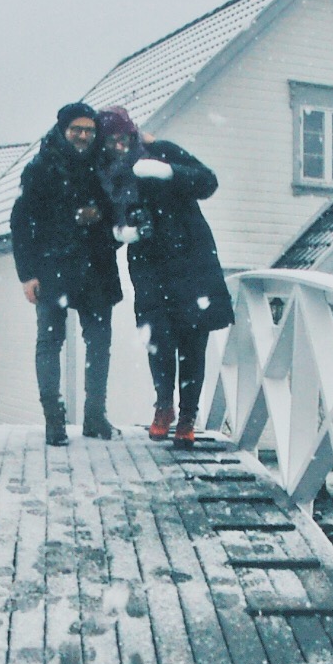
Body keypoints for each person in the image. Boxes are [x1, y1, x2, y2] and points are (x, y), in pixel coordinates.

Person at [98, 109, 230, 446]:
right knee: (156, 336)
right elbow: (105, 226)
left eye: (123, 137)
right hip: (148, 262)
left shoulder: (164, 151)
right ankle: (163, 406)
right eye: (111, 139)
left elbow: (207, 181)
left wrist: (168, 172)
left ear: (133, 134)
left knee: (192, 338)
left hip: (190, 256)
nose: (118, 144)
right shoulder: (106, 174)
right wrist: (121, 232)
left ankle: (187, 415)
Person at [8, 102, 121, 444]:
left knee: (99, 343)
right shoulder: (40, 167)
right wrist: (27, 275)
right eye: (77, 129)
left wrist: (100, 214)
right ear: (63, 129)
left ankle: (95, 416)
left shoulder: (105, 164)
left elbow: (122, 208)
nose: (83, 136)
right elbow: (21, 222)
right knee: (50, 341)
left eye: (89, 129)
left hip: (97, 266)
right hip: (52, 265)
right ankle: (53, 420)